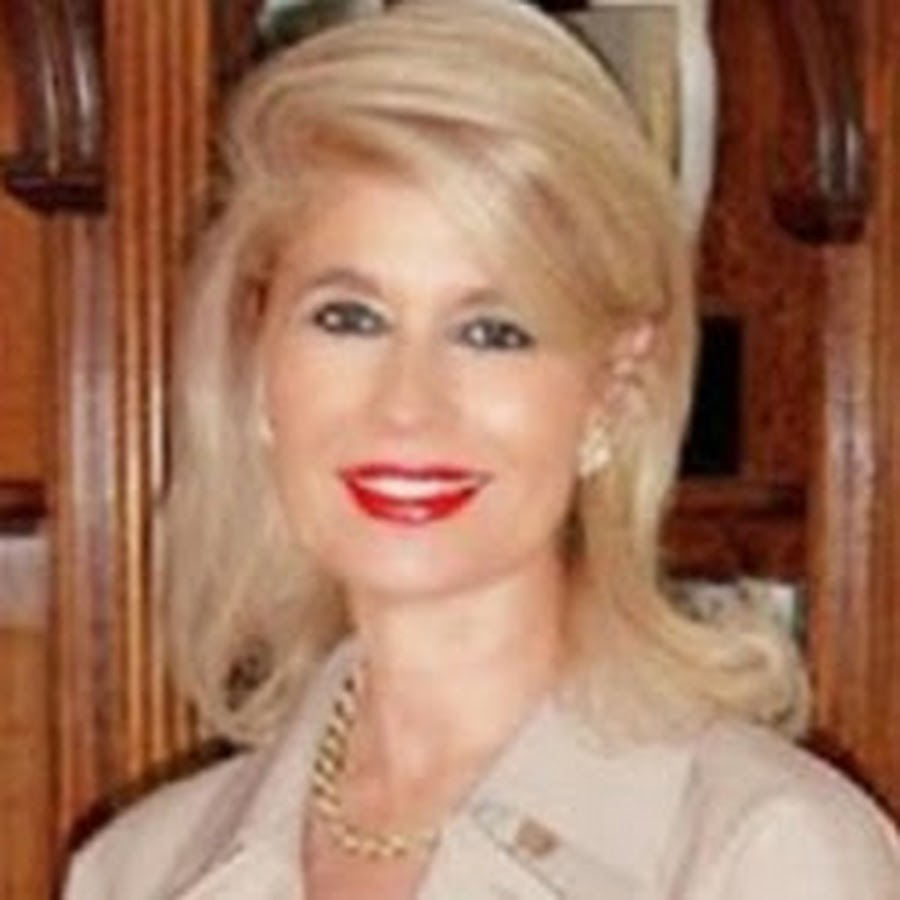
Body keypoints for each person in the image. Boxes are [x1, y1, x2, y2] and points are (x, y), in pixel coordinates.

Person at [64, 1, 900, 897]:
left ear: (614, 390)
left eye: (493, 332)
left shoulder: (767, 851)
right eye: (350, 318)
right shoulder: (135, 872)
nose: (407, 405)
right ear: (257, 356)